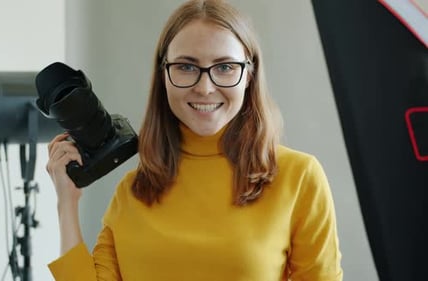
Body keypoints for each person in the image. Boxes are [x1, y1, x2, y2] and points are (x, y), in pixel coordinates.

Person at [46, 0, 343, 280]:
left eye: (225, 67)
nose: (204, 87)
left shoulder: (299, 177)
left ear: (249, 74)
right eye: (186, 67)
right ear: (164, 74)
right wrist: (66, 202)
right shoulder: (133, 191)